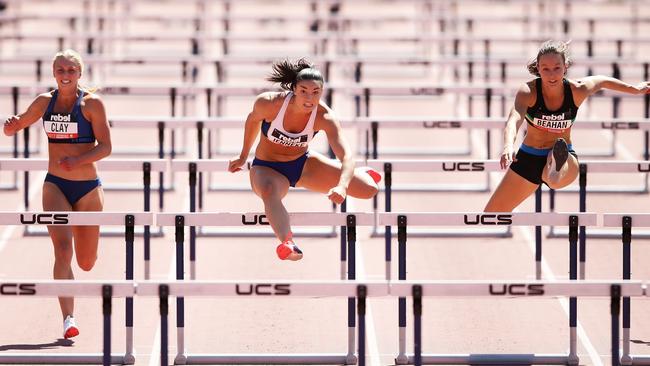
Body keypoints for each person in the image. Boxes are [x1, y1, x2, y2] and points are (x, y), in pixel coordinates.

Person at [3, 49, 111, 338]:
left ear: (80, 74)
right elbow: (18, 125)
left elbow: (106, 147)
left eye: (70, 71)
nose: (65, 75)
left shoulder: (92, 105)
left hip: (87, 189)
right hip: (55, 186)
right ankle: (69, 319)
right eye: (60, 70)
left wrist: (78, 160)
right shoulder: (44, 102)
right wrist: (12, 126)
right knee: (62, 250)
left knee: (86, 262)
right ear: (53, 73)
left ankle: (84, 267)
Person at [228, 58, 380, 261]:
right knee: (269, 192)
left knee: (369, 190)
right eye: (303, 91)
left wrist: (342, 186)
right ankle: (287, 243)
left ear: (322, 91)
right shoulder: (270, 103)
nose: (310, 98)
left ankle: (361, 174)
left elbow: (347, 155)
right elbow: (252, 121)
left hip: (302, 164)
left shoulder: (324, 117)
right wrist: (243, 155)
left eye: (315, 92)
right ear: (293, 89)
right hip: (267, 167)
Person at [484, 40, 650, 212]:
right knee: (491, 214)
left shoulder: (577, 90)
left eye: (557, 68)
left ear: (565, 66)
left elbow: (602, 81)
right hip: (529, 157)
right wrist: (508, 145)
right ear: (538, 68)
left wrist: (635, 89)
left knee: (555, 180)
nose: (552, 74)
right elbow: (514, 119)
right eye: (545, 69)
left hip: (565, 156)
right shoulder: (528, 91)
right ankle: (552, 169)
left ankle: (555, 165)